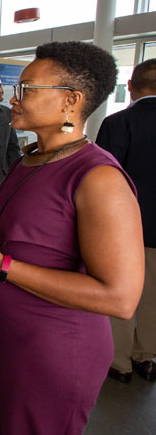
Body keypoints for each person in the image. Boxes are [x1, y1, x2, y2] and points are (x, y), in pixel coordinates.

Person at [0, 41, 144, 434]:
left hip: (52, 350)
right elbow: (18, 237)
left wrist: (1, 267)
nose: (13, 98)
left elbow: (120, 298)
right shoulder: (29, 161)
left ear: (70, 101)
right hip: (3, 332)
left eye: (27, 89)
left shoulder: (98, 178)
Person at [97, 58, 156, 384]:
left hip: (126, 228)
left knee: (120, 292)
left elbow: (104, 180)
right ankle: (146, 357)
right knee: (154, 296)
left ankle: (119, 363)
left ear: (131, 86)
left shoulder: (118, 123)